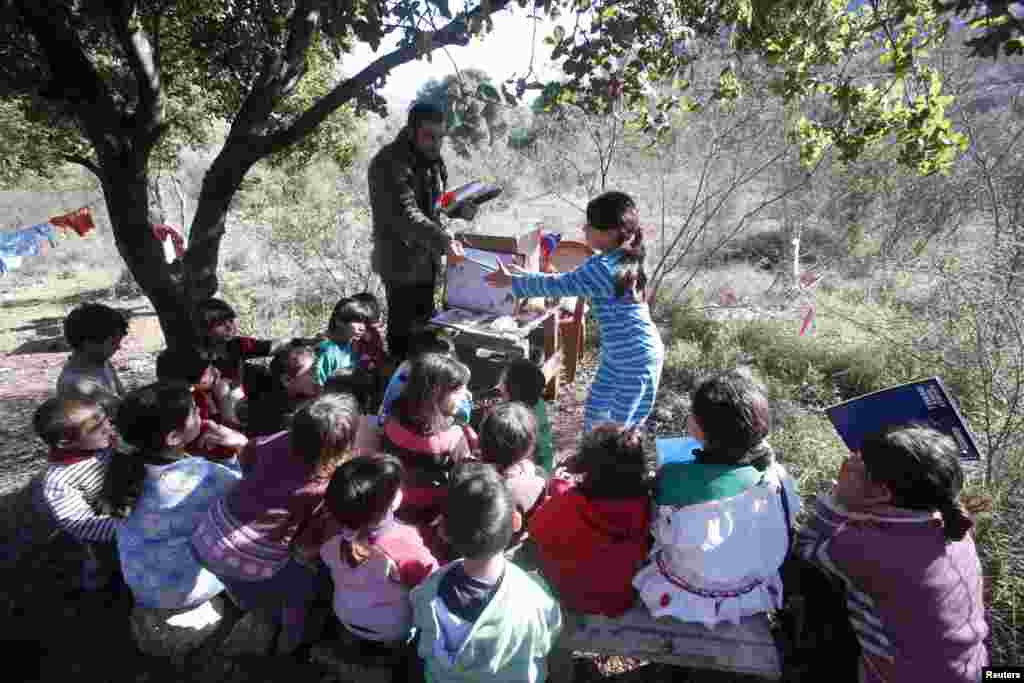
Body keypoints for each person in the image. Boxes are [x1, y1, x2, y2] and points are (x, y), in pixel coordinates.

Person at [795, 425, 988, 683]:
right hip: (979, 671)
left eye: (860, 464)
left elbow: (804, 550)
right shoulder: (956, 529)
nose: (850, 462)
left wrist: (838, 501)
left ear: (883, 492)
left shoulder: (860, 548)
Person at [191, 393, 361, 654]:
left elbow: (248, 458)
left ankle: (249, 604)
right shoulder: (325, 485)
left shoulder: (275, 440)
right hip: (247, 557)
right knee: (302, 585)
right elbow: (307, 547)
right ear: (343, 446)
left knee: (238, 581)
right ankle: (290, 641)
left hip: (205, 537)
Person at [633, 369, 800, 628]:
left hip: (689, 591)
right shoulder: (776, 477)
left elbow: (655, 524)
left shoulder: (673, 477)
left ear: (699, 429)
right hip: (748, 589)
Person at [486, 191, 664, 431]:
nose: (584, 229)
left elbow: (560, 285)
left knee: (618, 430)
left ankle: (611, 465)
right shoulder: (615, 258)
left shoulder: (605, 268)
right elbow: (564, 279)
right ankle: (595, 461)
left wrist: (513, 283)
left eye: (590, 225)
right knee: (595, 415)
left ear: (611, 232)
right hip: (619, 353)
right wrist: (519, 276)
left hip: (635, 359)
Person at [410, 462, 562, 683]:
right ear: (516, 522)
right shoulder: (535, 598)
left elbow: (421, 634)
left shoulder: (428, 591)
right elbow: (548, 637)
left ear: (443, 531)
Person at [101, 382, 242, 609]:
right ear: (174, 437)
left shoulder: (121, 466)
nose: (200, 412)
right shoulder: (201, 475)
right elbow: (246, 490)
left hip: (141, 584)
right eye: (194, 410)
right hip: (184, 591)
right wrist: (238, 447)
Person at [368, 100, 478, 361]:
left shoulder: (430, 159)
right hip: (400, 264)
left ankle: (425, 391)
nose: (436, 143)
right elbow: (406, 214)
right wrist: (443, 241)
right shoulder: (388, 163)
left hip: (426, 260)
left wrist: (457, 211)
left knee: (426, 334)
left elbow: (432, 207)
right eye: (429, 136)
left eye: (440, 137)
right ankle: (398, 392)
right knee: (404, 340)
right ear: (410, 130)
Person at [320, 455, 437, 660]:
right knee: (394, 645)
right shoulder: (405, 546)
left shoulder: (327, 531)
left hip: (344, 612)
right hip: (390, 627)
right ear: (389, 505)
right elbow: (433, 583)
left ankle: (350, 647)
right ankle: (391, 658)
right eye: (396, 491)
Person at [528, 425, 651, 617]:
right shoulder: (646, 506)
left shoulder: (568, 502)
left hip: (566, 596)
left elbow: (535, 529)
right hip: (618, 600)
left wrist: (557, 482)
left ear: (587, 465)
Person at [379, 353, 474, 554]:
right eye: (458, 391)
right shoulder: (453, 436)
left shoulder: (392, 419)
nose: (464, 396)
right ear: (435, 394)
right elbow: (464, 476)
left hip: (394, 504)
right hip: (432, 513)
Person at [33, 397, 121, 590]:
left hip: (126, 511)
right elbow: (81, 523)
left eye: (105, 418)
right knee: (111, 566)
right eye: (96, 427)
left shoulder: (104, 442)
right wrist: (129, 528)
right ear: (65, 442)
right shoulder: (60, 480)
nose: (108, 426)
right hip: (107, 533)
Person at [478, 402, 547, 556]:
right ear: (530, 447)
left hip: (476, 550)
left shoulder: (469, 477)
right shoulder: (538, 479)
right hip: (513, 548)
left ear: (482, 440)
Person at [155, 347, 249, 460]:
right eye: (209, 371)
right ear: (191, 383)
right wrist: (225, 403)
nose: (216, 371)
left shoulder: (208, 391)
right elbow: (224, 449)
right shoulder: (190, 408)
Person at [379, 328, 473, 427]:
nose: (450, 360)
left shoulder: (409, 367)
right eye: (444, 359)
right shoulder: (418, 383)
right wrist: (462, 397)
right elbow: (463, 417)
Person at [57, 303, 129, 413]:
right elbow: (121, 407)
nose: (118, 347)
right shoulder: (73, 383)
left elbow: (123, 397)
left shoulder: (104, 362)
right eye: (113, 342)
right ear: (89, 343)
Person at [243, 344, 322, 437]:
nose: (316, 380)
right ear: (287, 380)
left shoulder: (312, 400)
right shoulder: (262, 388)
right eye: (310, 373)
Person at [496, 359, 554, 473]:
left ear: (512, 389)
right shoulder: (538, 403)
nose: (499, 386)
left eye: (503, 382)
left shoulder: (515, 419)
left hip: (526, 471)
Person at [315, 296, 375, 387]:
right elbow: (318, 386)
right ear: (339, 321)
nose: (362, 328)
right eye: (357, 321)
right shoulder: (326, 351)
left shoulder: (351, 345)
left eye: (364, 322)